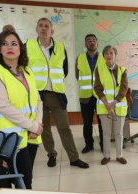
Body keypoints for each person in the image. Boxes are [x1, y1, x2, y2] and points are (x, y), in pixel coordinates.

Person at [0, 30, 43, 189]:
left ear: (20, 48)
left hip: (31, 136)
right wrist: (33, 125)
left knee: (26, 181)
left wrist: (38, 124)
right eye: (4, 43)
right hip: (8, 140)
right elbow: (3, 106)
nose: (9, 47)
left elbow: (37, 100)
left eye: (14, 44)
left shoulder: (27, 71)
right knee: (7, 186)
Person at [26, 17, 89, 169]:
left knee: (64, 127)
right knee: (44, 128)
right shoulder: (28, 46)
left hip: (56, 94)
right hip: (38, 94)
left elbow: (64, 70)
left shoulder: (60, 47)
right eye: (40, 26)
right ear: (36, 29)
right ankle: (51, 154)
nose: (43, 28)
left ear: (52, 31)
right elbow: (24, 69)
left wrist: (54, 82)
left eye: (46, 26)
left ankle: (74, 158)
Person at [94, 45, 128, 165]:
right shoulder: (99, 69)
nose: (109, 55)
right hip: (104, 106)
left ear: (115, 55)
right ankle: (107, 155)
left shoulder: (122, 70)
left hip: (118, 106)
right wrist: (107, 105)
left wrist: (113, 103)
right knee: (106, 133)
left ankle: (119, 155)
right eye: (106, 53)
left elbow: (124, 89)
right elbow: (97, 88)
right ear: (103, 56)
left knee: (119, 133)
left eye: (111, 53)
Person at [76, 34, 104, 154]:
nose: (91, 42)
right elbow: (77, 75)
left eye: (93, 40)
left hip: (100, 96)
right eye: (88, 41)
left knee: (102, 122)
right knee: (87, 123)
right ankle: (89, 145)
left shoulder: (104, 58)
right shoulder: (80, 58)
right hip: (85, 96)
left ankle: (104, 145)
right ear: (85, 44)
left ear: (97, 43)